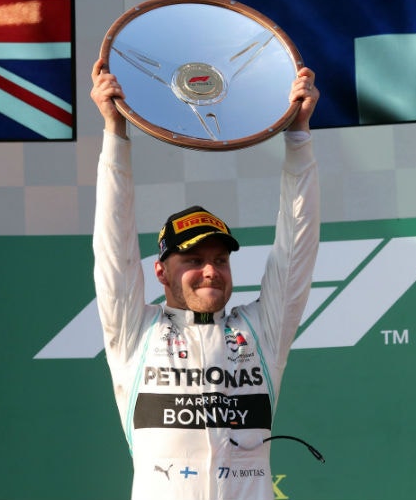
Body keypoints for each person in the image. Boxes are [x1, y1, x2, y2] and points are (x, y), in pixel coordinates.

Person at [90, 57, 320, 500]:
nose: (210, 270)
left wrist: (299, 136)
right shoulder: (134, 332)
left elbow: (298, 243)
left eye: (220, 258)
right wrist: (115, 134)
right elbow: (113, 245)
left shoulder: (260, 333)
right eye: (193, 260)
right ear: (160, 271)